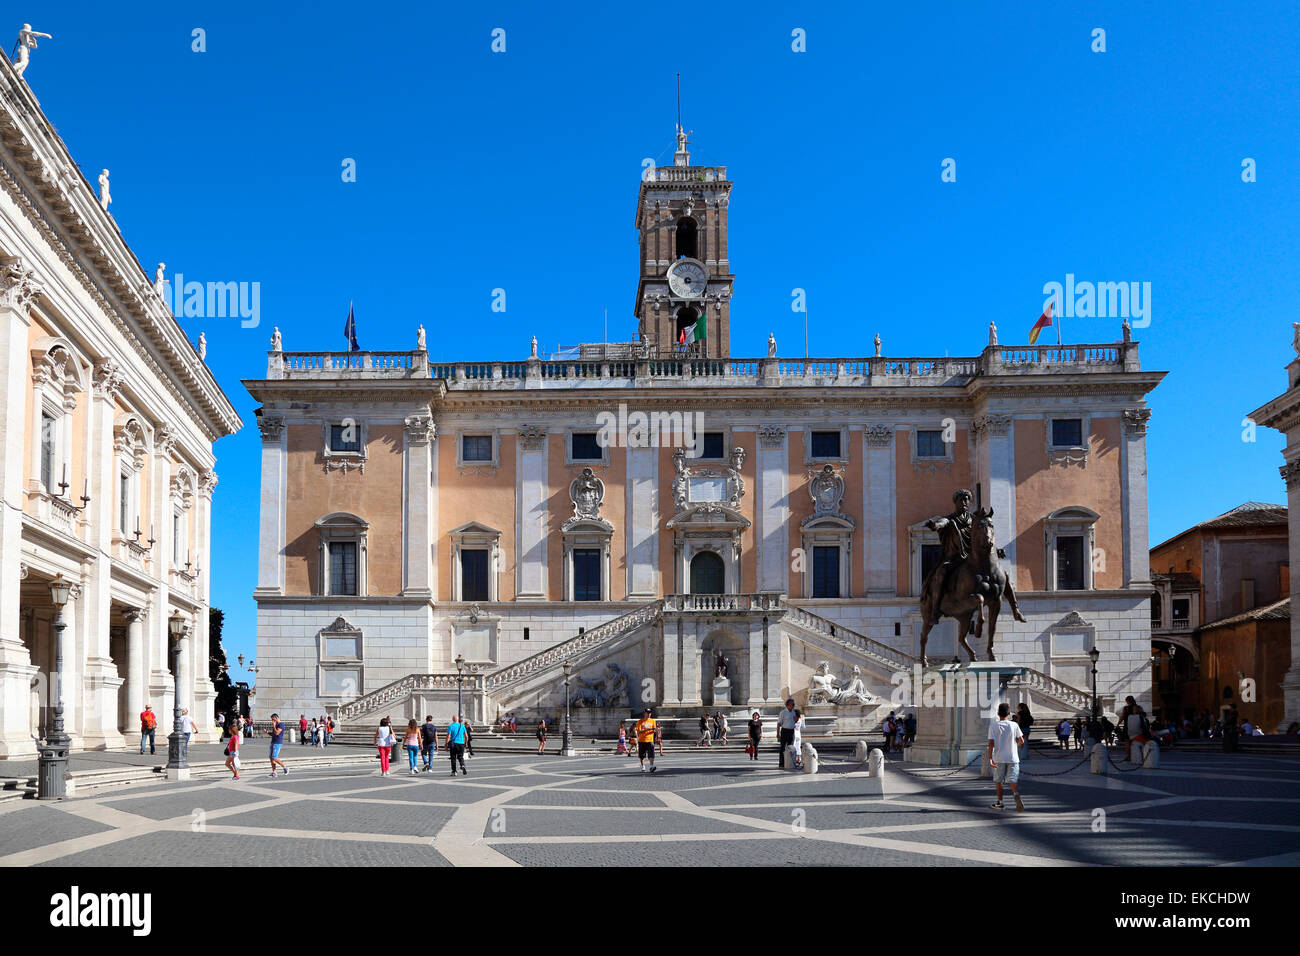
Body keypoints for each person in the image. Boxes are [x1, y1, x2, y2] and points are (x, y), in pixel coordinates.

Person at [987, 702, 1025, 811]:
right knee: (1012, 780)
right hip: (1012, 757)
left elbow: (991, 744)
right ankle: (1016, 794)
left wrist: (990, 758)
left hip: (999, 757)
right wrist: (1014, 746)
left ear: (998, 713)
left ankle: (1000, 802)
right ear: (1008, 713)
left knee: (999, 780)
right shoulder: (1014, 725)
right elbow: (1021, 740)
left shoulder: (993, 726)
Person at [634, 708, 658, 773]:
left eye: (650, 713)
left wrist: (655, 731)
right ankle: (643, 766)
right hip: (641, 740)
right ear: (644, 713)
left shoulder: (653, 721)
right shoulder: (640, 721)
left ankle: (651, 766)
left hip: (650, 740)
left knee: (651, 754)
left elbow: (654, 730)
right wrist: (647, 729)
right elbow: (639, 731)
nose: (649, 714)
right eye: (648, 713)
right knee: (641, 755)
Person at [777, 698, 798, 768]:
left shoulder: (793, 712)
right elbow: (779, 723)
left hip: (792, 731)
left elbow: (794, 722)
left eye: (794, 704)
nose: (793, 706)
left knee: (791, 747)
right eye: (793, 704)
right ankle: (781, 763)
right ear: (788, 705)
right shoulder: (782, 712)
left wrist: (796, 720)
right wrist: (777, 733)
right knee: (782, 747)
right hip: (784, 731)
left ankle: (790, 762)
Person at [267, 713, 288, 777]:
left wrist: (274, 726)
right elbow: (273, 734)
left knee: (274, 757)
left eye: (273, 719)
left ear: (276, 718)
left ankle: (285, 767)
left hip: (277, 743)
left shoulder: (281, 724)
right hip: (273, 742)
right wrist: (267, 732)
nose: (272, 721)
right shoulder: (276, 724)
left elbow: (277, 733)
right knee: (271, 758)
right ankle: (274, 772)